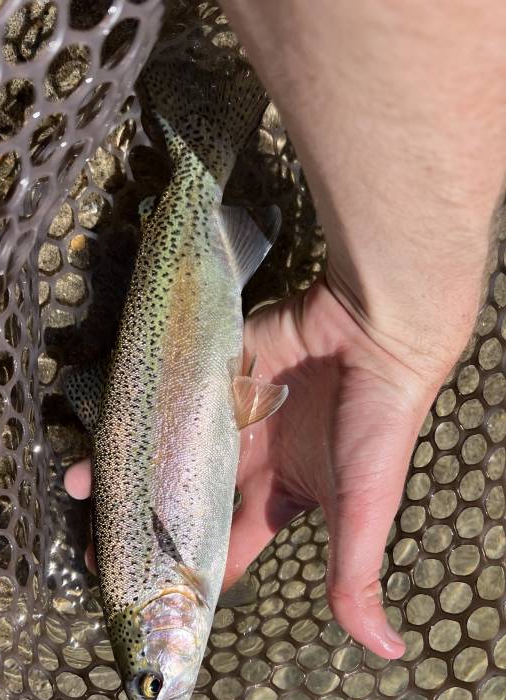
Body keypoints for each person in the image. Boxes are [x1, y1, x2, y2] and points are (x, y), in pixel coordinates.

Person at [64, 1, 506, 659]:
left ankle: (202, 156)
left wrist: (402, 331)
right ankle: (204, 156)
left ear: (158, 630)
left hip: (180, 329)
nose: (167, 693)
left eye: (154, 680)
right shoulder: (170, 587)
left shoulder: (160, 586)